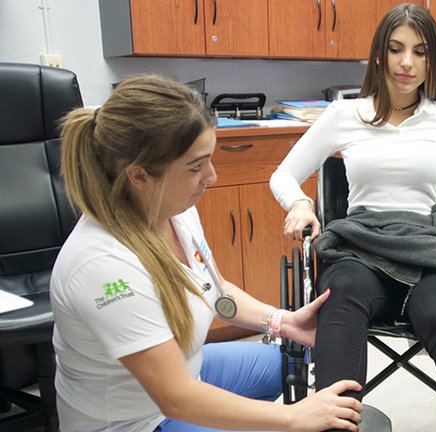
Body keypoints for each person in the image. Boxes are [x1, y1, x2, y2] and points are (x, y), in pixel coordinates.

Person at [51, 74, 363, 432]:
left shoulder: (175, 211)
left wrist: (282, 322)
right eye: (196, 167)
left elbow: (213, 289)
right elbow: (176, 398)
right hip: (137, 421)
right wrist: (294, 418)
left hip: (188, 370)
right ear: (139, 176)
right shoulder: (103, 266)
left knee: (293, 362)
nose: (211, 176)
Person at [269, 3, 436, 430]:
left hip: (433, 248)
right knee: (340, 296)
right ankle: (333, 424)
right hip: (361, 244)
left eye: (420, 52)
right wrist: (301, 204)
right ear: (379, 54)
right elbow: (284, 174)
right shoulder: (345, 114)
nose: (407, 63)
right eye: (397, 49)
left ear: (431, 58)